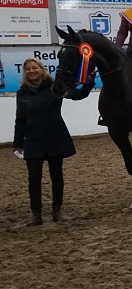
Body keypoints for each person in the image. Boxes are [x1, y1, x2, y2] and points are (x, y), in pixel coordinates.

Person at [13, 58, 94, 225]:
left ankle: (57, 211)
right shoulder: (22, 92)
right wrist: (17, 143)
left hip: (55, 137)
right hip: (33, 140)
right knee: (33, 178)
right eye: (28, 69)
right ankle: (36, 215)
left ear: (42, 70)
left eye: (34, 68)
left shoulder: (54, 87)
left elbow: (77, 95)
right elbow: (20, 119)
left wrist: (89, 83)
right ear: (25, 72)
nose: (31, 71)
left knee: (56, 176)